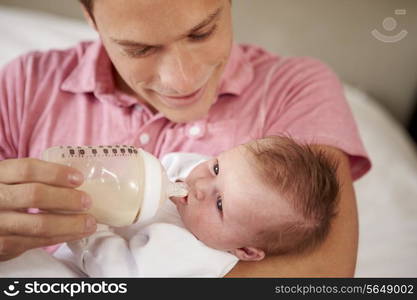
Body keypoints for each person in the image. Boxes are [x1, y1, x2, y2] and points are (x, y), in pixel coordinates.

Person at [0, 0, 371, 276]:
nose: (182, 80)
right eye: (139, 49)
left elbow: (324, 279)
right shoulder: (25, 84)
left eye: (201, 32)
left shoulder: (295, 88)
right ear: (90, 16)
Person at [0, 135, 341, 277]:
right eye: (217, 167)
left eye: (220, 203)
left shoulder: (191, 258)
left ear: (245, 250)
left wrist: (87, 225)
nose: (201, 185)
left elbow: (119, 273)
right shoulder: (192, 180)